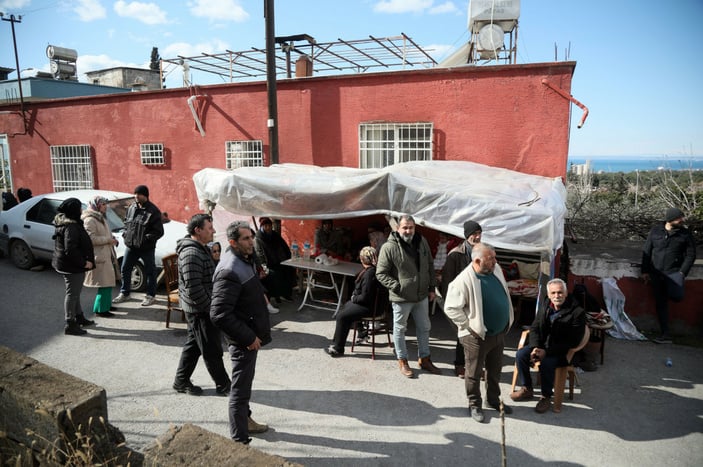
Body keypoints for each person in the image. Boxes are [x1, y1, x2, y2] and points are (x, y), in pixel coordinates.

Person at [210, 221, 272, 444]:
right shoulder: (229, 270)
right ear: (233, 242)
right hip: (243, 340)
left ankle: (247, 422)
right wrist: (248, 337)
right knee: (240, 391)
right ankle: (239, 441)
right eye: (246, 239)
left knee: (244, 386)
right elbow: (219, 314)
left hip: (250, 333)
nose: (251, 242)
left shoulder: (244, 258)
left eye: (251, 237)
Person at [443, 243, 514, 423]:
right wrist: (469, 326)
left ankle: (493, 400)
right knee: (473, 373)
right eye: (491, 259)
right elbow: (450, 308)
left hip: (498, 334)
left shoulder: (494, 268)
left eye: (494, 257)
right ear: (477, 261)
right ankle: (474, 404)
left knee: (495, 370)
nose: (495, 262)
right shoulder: (462, 281)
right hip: (477, 336)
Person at [173, 214, 231, 397]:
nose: (213, 231)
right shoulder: (191, 253)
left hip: (202, 308)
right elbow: (194, 289)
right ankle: (224, 385)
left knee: (194, 346)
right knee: (211, 348)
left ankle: (180, 381)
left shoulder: (200, 248)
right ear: (197, 230)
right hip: (200, 310)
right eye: (209, 228)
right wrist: (211, 309)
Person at [376, 215, 440, 378]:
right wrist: (398, 287)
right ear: (398, 228)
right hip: (402, 297)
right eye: (405, 227)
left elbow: (430, 266)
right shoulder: (388, 247)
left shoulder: (422, 241)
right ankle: (402, 360)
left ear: (415, 228)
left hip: (421, 295)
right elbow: (381, 273)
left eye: (411, 227)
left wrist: (432, 287)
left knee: (424, 327)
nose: (408, 231)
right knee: (400, 329)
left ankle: (424, 359)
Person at [510, 278, 586, 414]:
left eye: (560, 292)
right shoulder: (546, 304)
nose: (557, 296)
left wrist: (547, 352)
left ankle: (546, 396)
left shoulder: (577, 312)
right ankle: (527, 388)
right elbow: (535, 327)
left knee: (546, 363)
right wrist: (535, 347)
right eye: (554, 293)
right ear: (549, 295)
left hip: (562, 351)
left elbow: (572, 341)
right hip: (542, 346)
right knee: (521, 354)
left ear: (566, 293)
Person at [641, 207, 696, 344]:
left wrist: (682, 273)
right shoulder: (655, 231)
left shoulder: (685, 234)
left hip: (674, 273)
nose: (682, 220)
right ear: (670, 219)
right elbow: (647, 251)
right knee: (661, 303)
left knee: (677, 296)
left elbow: (691, 255)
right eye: (679, 218)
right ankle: (665, 334)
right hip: (656, 273)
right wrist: (645, 271)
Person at [440, 220, 483, 378]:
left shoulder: (482, 251)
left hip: (477, 298)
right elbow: (447, 281)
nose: (477, 237)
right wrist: (450, 303)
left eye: (479, 233)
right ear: (467, 236)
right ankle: (460, 365)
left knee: (479, 333)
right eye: (474, 234)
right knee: (463, 333)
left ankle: (475, 366)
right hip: (461, 299)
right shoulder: (456, 254)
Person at [113, 185, 164, 307]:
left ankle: (150, 296)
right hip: (131, 246)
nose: (136, 196)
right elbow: (126, 223)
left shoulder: (153, 211)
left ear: (145, 195)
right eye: (135, 194)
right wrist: (126, 234)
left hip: (146, 248)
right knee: (125, 269)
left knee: (150, 271)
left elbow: (159, 232)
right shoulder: (131, 208)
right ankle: (125, 293)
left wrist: (145, 239)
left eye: (138, 194)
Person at [325, 246, 380, 357]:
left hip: (369, 307)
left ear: (362, 259)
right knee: (345, 307)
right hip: (369, 304)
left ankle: (338, 348)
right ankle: (362, 333)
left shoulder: (370, 274)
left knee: (342, 316)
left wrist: (354, 298)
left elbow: (365, 297)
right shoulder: (371, 270)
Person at [51, 197, 95, 336]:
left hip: (67, 264)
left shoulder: (69, 223)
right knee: (72, 294)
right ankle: (70, 323)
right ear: (74, 210)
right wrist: (84, 262)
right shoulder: (71, 227)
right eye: (79, 208)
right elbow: (70, 250)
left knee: (75, 293)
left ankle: (79, 317)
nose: (82, 210)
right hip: (71, 266)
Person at [82, 196, 120, 318]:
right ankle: (100, 309)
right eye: (103, 204)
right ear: (97, 205)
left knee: (108, 282)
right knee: (104, 284)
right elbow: (90, 239)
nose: (106, 206)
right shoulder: (90, 220)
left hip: (106, 253)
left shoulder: (100, 217)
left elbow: (105, 233)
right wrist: (108, 240)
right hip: (99, 256)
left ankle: (106, 305)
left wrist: (112, 238)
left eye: (105, 204)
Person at [254, 217, 293, 305]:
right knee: (274, 274)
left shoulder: (274, 234)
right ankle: (276, 296)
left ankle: (286, 294)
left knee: (288, 270)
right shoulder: (258, 238)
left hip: (278, 260)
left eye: (269, 226)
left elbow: (284, 246)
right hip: (267, 263)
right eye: (266, 226)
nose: (268, 228)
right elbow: (259, 253)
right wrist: (263, 266)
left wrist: (287, 257)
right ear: (262, 226)